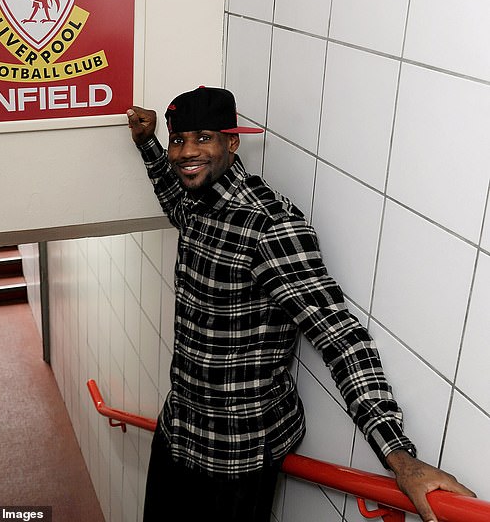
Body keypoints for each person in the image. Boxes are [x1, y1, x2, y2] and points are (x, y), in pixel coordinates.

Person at [126, 86, 474, 522]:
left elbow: (340, 337)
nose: (186, 152)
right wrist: (149, 145)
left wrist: (399, 457)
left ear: (231, 142)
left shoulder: (270, 227)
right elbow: (173, 200)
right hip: (180, 429)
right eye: (179, 140)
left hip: (237, 455)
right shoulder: (196, 202)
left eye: (202, 138)